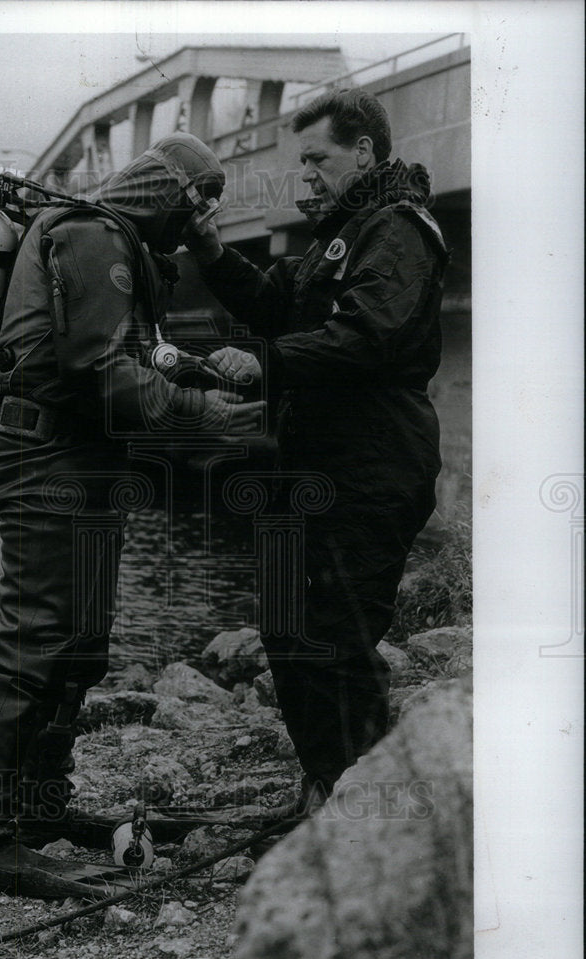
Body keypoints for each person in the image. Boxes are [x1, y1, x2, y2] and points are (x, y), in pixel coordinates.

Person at [0, 132, 264, 897]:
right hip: (44, 459)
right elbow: (99, 372)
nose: (200, 220)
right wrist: (206, 415)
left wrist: (188, 378)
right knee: (37, 641)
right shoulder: (95, 238)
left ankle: (37, 812)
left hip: (81, 464)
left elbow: (128, 358)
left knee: (80, 644)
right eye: (198, 199)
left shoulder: (116, 243)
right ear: (166, 189)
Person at [184, 88, 449, 815]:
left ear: (362, 151)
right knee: (288, 630)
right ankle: (330, 793)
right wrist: (210, 252)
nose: (304, 174)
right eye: (300, 161)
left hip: (372, 464)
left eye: (316, 159)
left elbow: (370, 336)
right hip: (319, 466)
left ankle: (364, 817)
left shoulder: (397, 230)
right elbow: (276, 303)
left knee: (338, 639)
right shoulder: (344, 229)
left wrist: (263, 363)